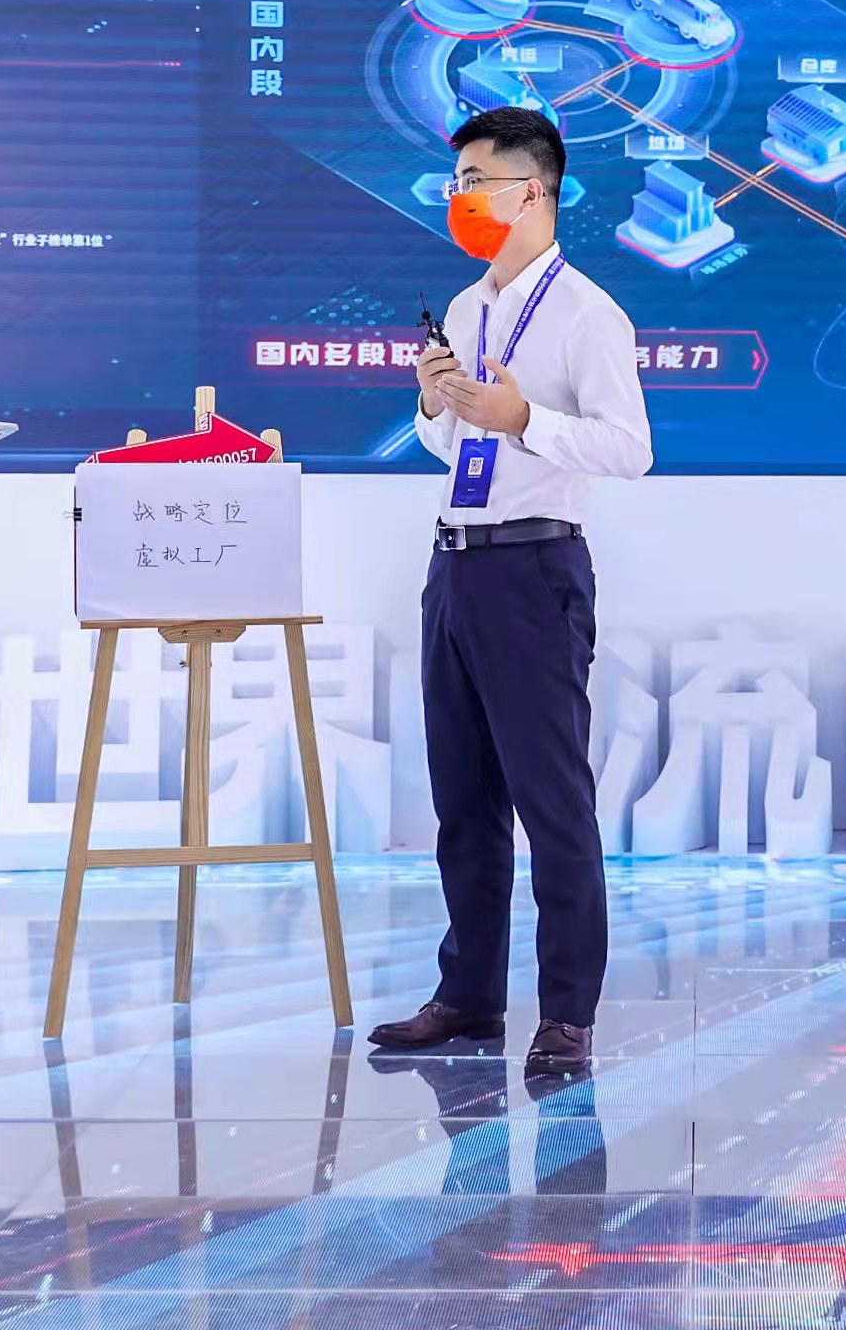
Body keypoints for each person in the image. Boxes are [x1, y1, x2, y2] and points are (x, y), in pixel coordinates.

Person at [371, 107, 653, 1076]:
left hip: (535, 569)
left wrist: (524, 416)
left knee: (552, 800)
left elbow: (629, 449)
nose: (459, 199)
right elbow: (453, 446)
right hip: (454, 564)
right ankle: (468, 994)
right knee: (464, 797)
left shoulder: (587, 313)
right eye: (455, 184)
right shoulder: (466, 307)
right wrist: (434, 400)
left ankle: (567, 1011)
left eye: (475, 183)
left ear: (532, 191)